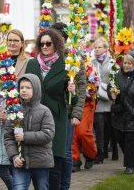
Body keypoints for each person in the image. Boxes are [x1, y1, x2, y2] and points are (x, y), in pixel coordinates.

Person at [25, 29, 77, 190]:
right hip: (36, 117)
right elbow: (27, 88)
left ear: (56, 44)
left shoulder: (66, 64)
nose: (45, 46)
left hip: (57, 117)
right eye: (42, 44)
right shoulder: (32, 63)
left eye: (49, 43)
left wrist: (72, 91)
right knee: (38, 162)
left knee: (56, 162)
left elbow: (71, 101)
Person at [4, 74, 55, 190]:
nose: (24, 90)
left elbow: (48, 134)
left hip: (40, 162)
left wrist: (25, 136)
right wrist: (13, 156)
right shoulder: (14, 111)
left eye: (28, 87)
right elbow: (8, 137)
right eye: (21, 88)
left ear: (36, 89)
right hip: (20, 163)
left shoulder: (45, 111)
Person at [50, 22, 86, 190]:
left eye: (60, 39)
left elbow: (81, 86)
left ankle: (64, 186)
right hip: (49, 111)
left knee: (64, 152)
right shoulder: (46, 58)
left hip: (67, 111)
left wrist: (77, 113)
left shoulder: (74, 58)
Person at [108, 52, 134, 174]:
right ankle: (129, 157)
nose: (126, 65)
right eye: (125, 63)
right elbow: (110, 89)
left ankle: (129, 166)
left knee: (131, 141)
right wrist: (112, 94)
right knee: (120, 138)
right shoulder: (116, 75)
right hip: (119, 114)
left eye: (129, 63)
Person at [92, 37, 118, 163]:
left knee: (110, 126)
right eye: (95, 47)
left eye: (99, 47)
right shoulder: (91, 62)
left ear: (105, 49)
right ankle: (100, 153)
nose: (97, 49)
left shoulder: (112, 62)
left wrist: (113, 92)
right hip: (96, 97)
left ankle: (114, 150)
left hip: (108, 97)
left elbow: (115, 79)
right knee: (99, 126)